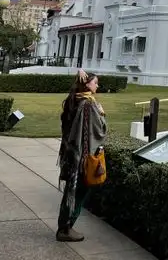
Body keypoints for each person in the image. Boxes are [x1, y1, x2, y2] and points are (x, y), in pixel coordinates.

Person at [56, 70, 107, 242]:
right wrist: (102, 114)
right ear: (87, 84)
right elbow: (98, 132)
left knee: (71, 191)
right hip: (82, 158)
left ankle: (65, 226)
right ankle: (66, 228)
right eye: (95, 82)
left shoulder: (74, 100)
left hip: (70, 154)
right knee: (78, 193)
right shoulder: (88, 104)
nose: (97, 85)